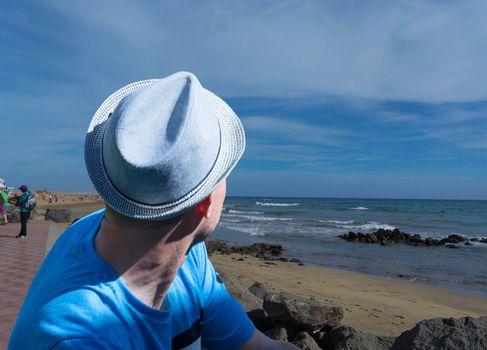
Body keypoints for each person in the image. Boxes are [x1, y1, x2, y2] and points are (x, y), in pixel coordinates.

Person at [9, 72, 299, 349]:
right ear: (205, 203)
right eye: (222, 174)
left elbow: (255, 345)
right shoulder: (80, 338)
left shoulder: (189, 256)